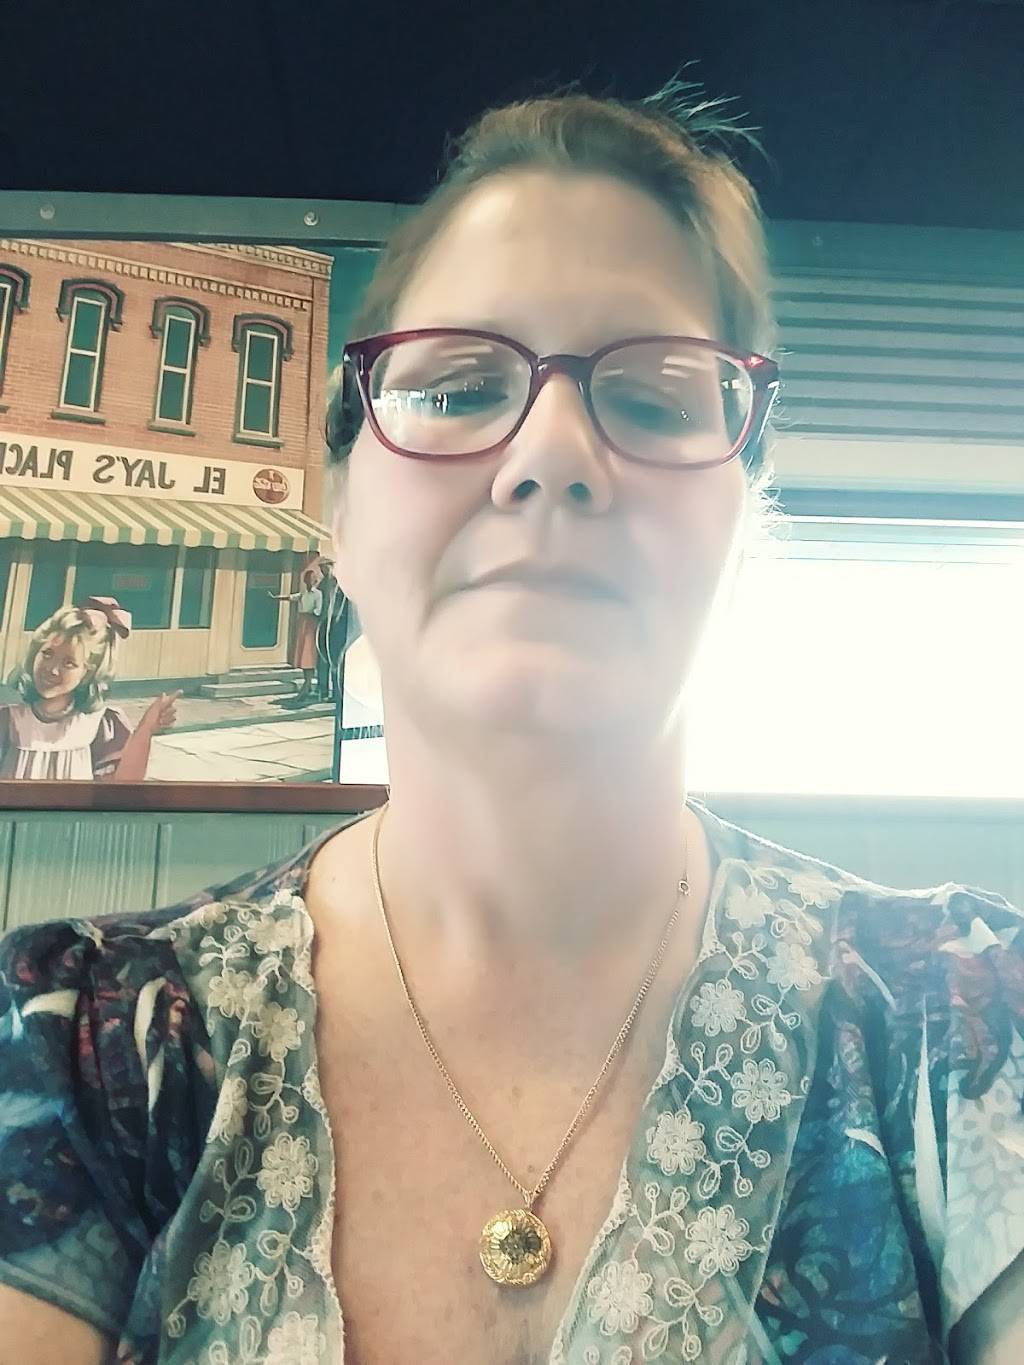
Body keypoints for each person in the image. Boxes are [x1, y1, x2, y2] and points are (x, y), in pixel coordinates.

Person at [0, 82, 1021, 1365]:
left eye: (656, 398)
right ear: (338, 519)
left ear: (743, 532)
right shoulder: (79, 1044)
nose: (553, 454)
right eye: (457, 385)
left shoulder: (964, 1019)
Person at [0, 596, 178, 780]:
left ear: (88, 672)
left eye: (69, 663)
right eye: (47, 654)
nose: (52, 670)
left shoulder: (100, 724)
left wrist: (146, 729)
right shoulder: (8, 719)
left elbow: (122, 786)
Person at [270, 566, 322, 701]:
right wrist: (276, 598)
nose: (310, 581)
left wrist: (310, 614)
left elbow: (318, 610)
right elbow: (291, 597)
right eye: (308, 579)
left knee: (309, 654)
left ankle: (307, 685)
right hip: (303, 623)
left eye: (312, 579)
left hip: (311, 624)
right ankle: (307, 684)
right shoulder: (303, 593)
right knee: (302, 654)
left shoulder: (318, 594)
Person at [314, 556, 349, 702]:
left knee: (336, 659)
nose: (323, 570)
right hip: (324, 622)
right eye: (321, 568)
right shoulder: (322, 583)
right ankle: (322, 689)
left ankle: (336, 692)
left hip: (336, 623)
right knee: (323, 659)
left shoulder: (339, 583)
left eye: (325, 567)